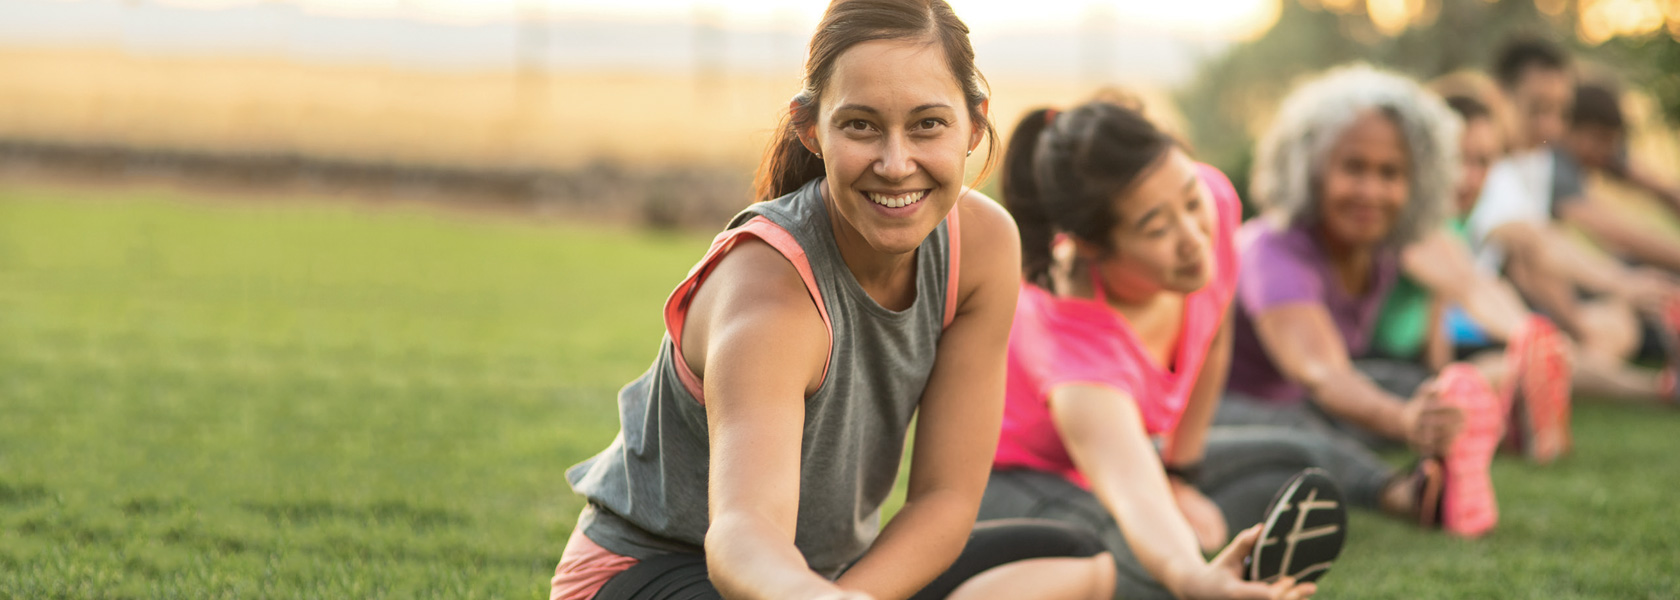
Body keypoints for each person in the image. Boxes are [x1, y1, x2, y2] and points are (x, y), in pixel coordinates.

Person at [552, 2, 1115, 599]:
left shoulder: (983, 247)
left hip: (821, 581)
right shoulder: (770, 290)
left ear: (974, 124)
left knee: (1078, 559)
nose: (896, 165)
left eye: (928, 124)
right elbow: (744, 533)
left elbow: (945, 499)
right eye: (861, 125)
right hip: (663, 570)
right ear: (810, 127)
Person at [975, 100, 1323, 600]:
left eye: (1190, 199)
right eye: (1158, 229)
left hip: (1131, 459)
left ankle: (1407, 491)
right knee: (1131, 565)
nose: (1194, 239)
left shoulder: (1213, 200)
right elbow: (1130, 485)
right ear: (1092, 247)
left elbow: (1213, 334)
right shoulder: (1070, 342)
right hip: (1020, 480)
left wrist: (1181, 474)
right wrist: (1192, 576)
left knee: (1293, 460)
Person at [1221, 65, 1506, 538]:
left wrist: (1435, 401)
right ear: (1311, 169)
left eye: (1390, 173)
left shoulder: (1382, 247)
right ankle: (1403, 491)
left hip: (1310, 397)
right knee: (1303, 430)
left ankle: (1477, 440)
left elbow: (1463, 281)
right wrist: (1404, 421)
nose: (1371, 191)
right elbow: (1322, 372)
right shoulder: (1272, 250)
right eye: (1353, 168)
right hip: (1224, 407)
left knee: (1408, 382)